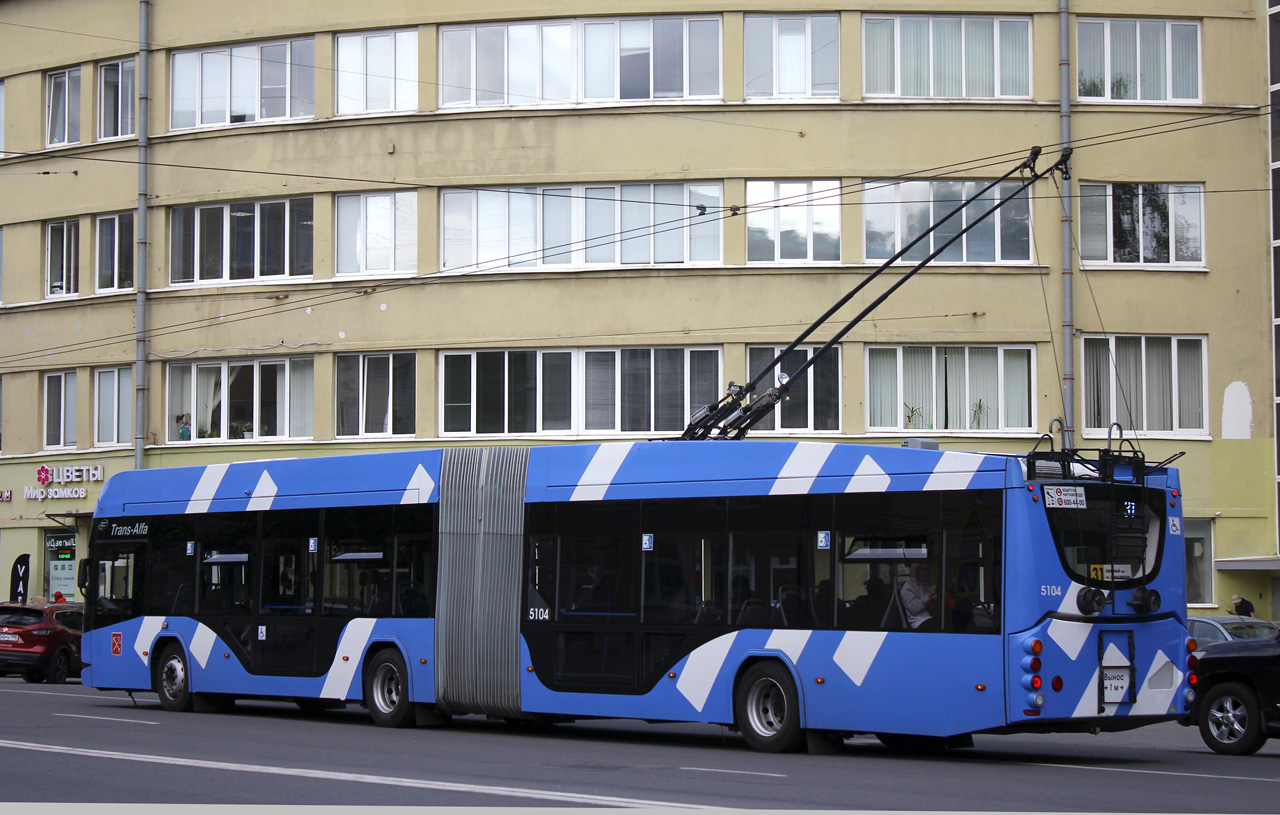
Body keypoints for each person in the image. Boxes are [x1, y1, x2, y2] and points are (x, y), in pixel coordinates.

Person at [900, 562, 938, 631]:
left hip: (932, 615)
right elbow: (914, 608)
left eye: (927, 569)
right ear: (915, 571)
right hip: (918, 621)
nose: (925, 572)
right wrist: (929, 596)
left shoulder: (927, 585)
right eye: (922, 570)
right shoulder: (908, 587)